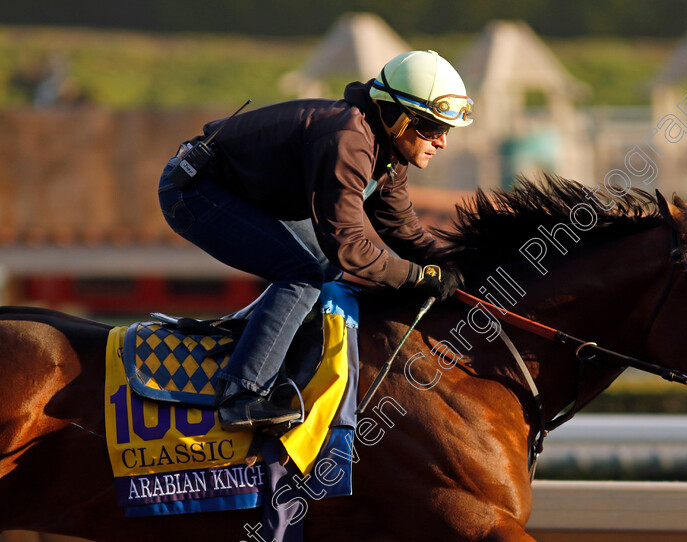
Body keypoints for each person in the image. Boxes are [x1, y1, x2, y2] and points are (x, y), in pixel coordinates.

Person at [158, 50, 472, 431]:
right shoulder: (349, 139)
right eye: (430, 127)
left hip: (240, 192)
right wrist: (420, 277)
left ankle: (272, 362)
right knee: (302, 273)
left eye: (447, 130)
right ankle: (242, 395)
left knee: (325, 269)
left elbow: (403, 231)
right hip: (193, 191)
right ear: (395, 115)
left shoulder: (387, 151)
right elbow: (351, 247)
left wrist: (463, 263)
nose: (441, 141)